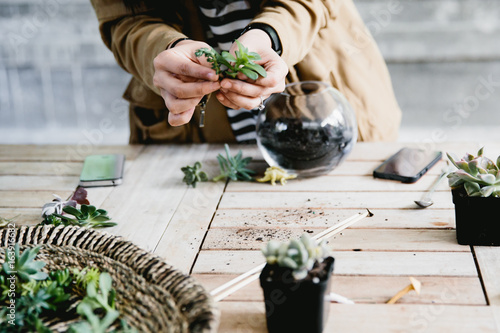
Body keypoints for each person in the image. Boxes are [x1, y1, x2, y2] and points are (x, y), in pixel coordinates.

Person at [90, 0, 401, 144]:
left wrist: (271, 36)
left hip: (321, 96)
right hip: (192, 134)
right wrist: (164, 46)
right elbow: (124, 16)